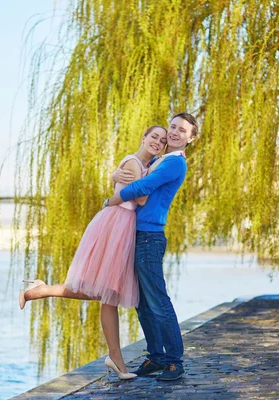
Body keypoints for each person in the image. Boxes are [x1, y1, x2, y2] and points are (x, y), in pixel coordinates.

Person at [18, 125, 168, 380]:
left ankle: (116, 359)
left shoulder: (138, 167)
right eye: (154, 136)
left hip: (124, 226)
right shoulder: (133, 164)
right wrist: (154, 173)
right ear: (143, 137)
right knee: (103, 291)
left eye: (163, 141)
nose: (158, 142)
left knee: (108, 294)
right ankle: (42, 291)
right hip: (116, 224)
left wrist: (140, 174)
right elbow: (140, 199)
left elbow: (133, 190)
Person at [104, 112, 199, 381]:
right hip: (137, 235)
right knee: (143, 304)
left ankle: (174, 361)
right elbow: (135, 172)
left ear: (190, 138)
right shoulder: (160, 159)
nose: (174, 132)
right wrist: (115, 174)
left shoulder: (174, 164)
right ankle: (156, 356)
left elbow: (143, 186)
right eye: (172, 126)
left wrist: (112, 199)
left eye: (182, 130)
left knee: (158, 302)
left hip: (150, 237)